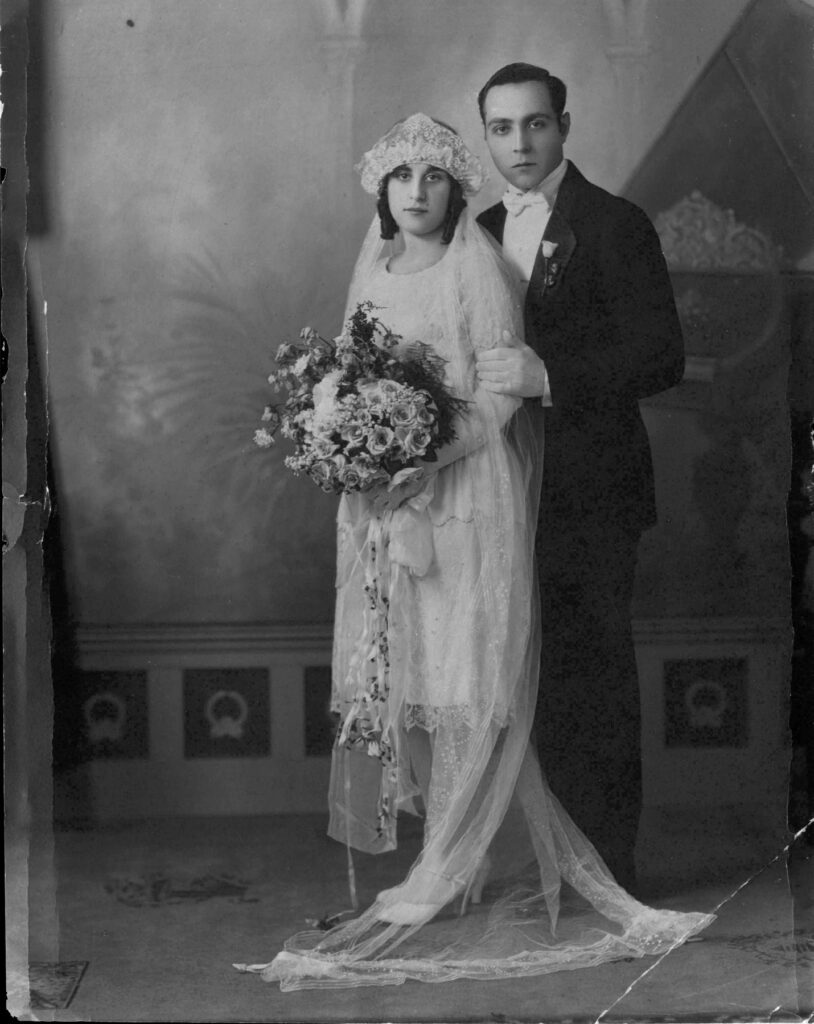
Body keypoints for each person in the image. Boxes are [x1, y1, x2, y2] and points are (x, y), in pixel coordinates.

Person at [234, 114, 711, 990]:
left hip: (461, 498)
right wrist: (353, 448)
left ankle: (450, 865)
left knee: (463, 680)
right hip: (385, 503)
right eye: (401, 176)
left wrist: (425, 456)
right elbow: (350, 371)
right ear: (382, 190)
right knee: (405, 678)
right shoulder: (372, 268)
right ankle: (444, 860)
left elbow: (500, 400)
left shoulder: (477, 266)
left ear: (460, 189)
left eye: (435, 176)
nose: (416, 190)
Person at [475, 64, 686, 891]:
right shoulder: (483, 227)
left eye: (534, 125)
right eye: (501, 129)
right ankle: (556, 865)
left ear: (564, 125)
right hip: (501, 492)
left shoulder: (615, 222)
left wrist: (549, 374)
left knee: (591, 677)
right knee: (528, 680)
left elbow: (661, 356)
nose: (520, 144)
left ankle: (611, 873)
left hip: (592, 490)